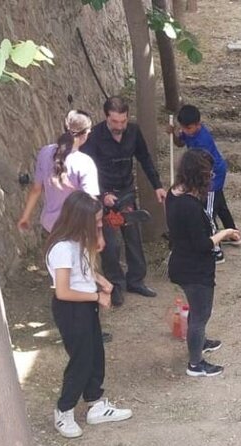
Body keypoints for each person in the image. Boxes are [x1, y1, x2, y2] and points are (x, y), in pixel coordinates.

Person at [45, 191, 133, 438]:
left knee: (96, 354)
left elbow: (82, 270)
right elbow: (63, 291)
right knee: (81, 360)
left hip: (85, 305)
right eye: (95, 222)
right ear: (80, 220)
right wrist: (96, 296)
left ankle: (95, 403)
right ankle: (64, 410)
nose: (98, 226)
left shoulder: (78, 240)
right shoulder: (62, 248)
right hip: (72, 308)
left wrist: (100, 280)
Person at [81, 96, 165, 306]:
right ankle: (115, 285)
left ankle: (136, 280)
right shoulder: (94, 137)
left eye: (123, 121)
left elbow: (144, 158)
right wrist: (102, 195)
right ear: (106, 117)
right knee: (110, 244)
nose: (119, 126)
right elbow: (86, 171)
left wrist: (157, 185)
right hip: (103, 196)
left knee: (133, 237)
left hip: (126, 192)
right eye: (114, 122)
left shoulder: (133, 132)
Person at [166, 149, 241, 377]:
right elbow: (202, 244)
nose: (211, 178)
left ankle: (200, 342)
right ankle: (196, 364)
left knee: (197, 311)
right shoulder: (190, 206)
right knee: (201, 314)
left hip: (181, 262)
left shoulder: (174, 194)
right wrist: (225, 233)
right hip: (194, 269)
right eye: (208, 174)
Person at [171, 104, 239, 264]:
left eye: (188, 128)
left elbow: (202, 166)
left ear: (198, 124)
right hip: (208, 173)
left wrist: (195, 182)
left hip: (212, 175)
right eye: (183, 128)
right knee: (219, 204)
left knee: (208, 212)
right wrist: (173, 134)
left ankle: (216, 251)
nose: (185, 131)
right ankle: (233, 233)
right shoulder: (188, 131)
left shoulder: (203, 141)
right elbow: (180, 143)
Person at [18, 110, 99, 234]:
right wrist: (98, 234)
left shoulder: (45, 152)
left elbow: (36, 189)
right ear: (85, 134)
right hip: (75, 228)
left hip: (50, 225)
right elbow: (90, 202)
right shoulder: (85, 162)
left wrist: (25, 217)